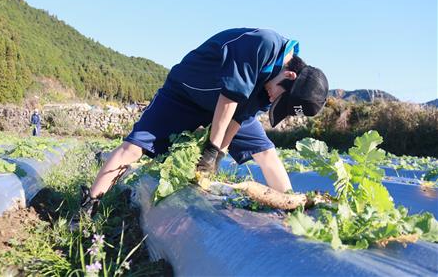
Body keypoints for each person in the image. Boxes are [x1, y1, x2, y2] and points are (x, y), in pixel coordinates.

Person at [80, 28, 329, 216]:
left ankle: (291, 207)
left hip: (225, 109)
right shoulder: (263, 45)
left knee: (266, 152)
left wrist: (218, 155)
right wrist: (211, 148)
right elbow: (229, 100)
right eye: (280, 99)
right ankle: (88, 206)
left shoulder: (270, 88)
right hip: (185, 94)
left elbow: (238, 119)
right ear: (289, 75)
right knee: (134, 148)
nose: (273, 101)